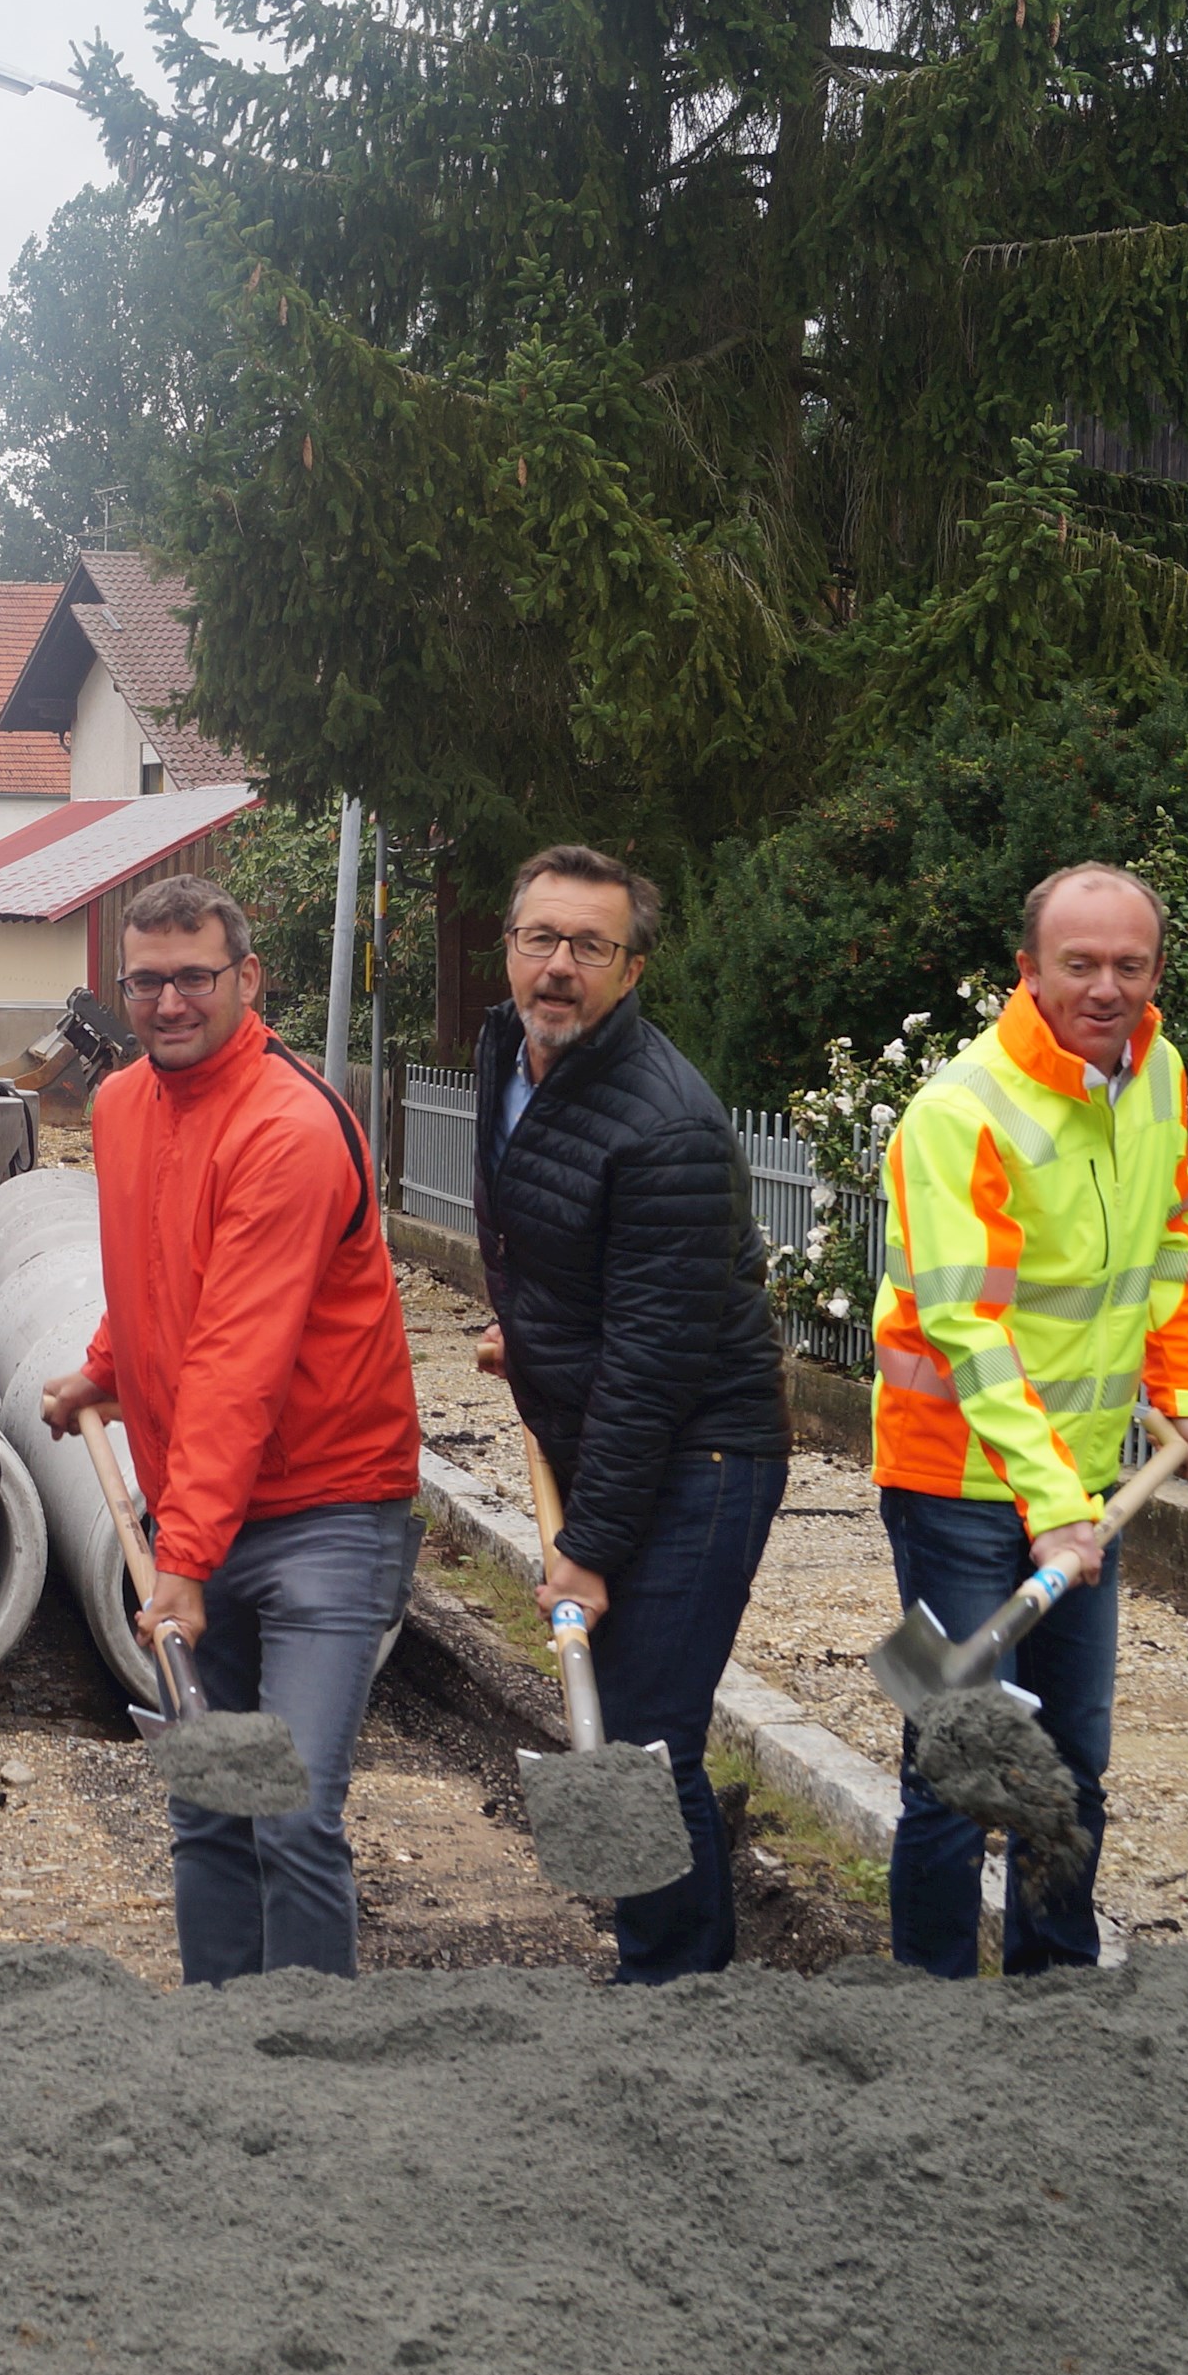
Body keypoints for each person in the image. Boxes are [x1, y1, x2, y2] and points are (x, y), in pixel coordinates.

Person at [36, 876, 423, 1983]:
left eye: (192, 978)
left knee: (290, 1808)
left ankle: (307, 2066)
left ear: (245, 979)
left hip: (325, 1518)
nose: (167, 1003)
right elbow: (157, 1269)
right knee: (210, 1804)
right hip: (206, 1504)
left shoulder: (288, 1129)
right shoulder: (121, 1107)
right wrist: (102, 1370)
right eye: (145, 981)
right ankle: (219, 2049)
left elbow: (238, 1360)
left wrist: (183, 1558)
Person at [869, 864, 1188, 1977]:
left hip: (1074, 1490)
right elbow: (968, 1329)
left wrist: (1186, 1396)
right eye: (1079, 964)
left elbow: (1166, 1254)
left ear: (1156, 971)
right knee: (959, 1760)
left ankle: (1057, 1997)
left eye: (1129, 964)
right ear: (1028, 972)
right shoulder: (958, 1113)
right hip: (952, 1485)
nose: (1106, 986)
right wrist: (1052, 1507)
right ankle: (929, 2008)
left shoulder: (1156, 1074)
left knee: (1070, 1760)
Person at [459, 847, 788, 1981]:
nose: (558, 968)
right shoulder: (508, 1050)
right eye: (540, 940)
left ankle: (679, 1991)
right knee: (643, 1730)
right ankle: (661, 1968)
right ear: (507, 949)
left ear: (631, 969)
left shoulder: (666, 1123)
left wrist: (588, 1550)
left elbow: (656, 1353)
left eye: (588, 948)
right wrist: (531, 1334)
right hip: (611, 1418)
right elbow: (549, 1243)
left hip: (700, 1445)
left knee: (648, 1737)